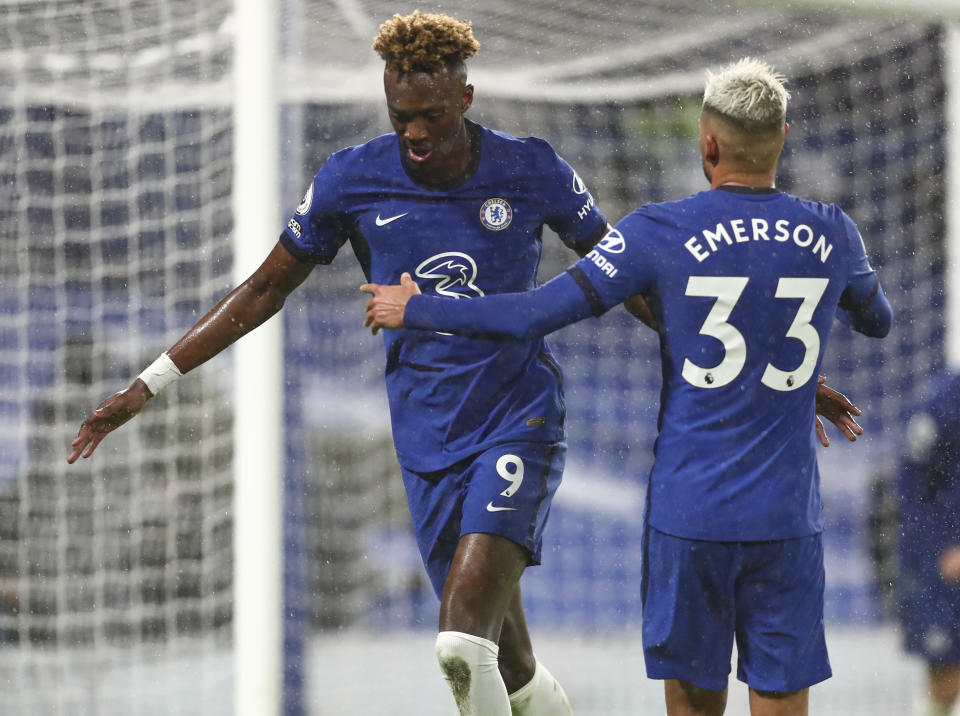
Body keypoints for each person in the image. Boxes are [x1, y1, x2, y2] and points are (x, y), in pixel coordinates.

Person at [66, 16, 861, 711]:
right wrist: (150, 382)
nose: (414, 133)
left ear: (466, 99)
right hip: (425, 441)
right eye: (401, 115)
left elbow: (643, 287)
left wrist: (766, 372)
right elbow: (266, 287)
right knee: (510, 672)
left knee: (457, 642)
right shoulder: (351, 178)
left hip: (518, 423)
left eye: (432, 116)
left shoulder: (533, 169)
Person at [362, 58, 892, 716]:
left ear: (706, 141)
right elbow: (878, 321)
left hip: (688, 516)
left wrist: (416, 309)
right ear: (783, 136)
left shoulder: (657, 233)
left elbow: (531, 313)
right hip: (787, 518)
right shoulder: (831, 231)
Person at [897, 370, 960, 716]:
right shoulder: (946, 399)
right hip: (944, 563)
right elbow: (910, 479)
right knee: (947, 675)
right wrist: (944, 546)